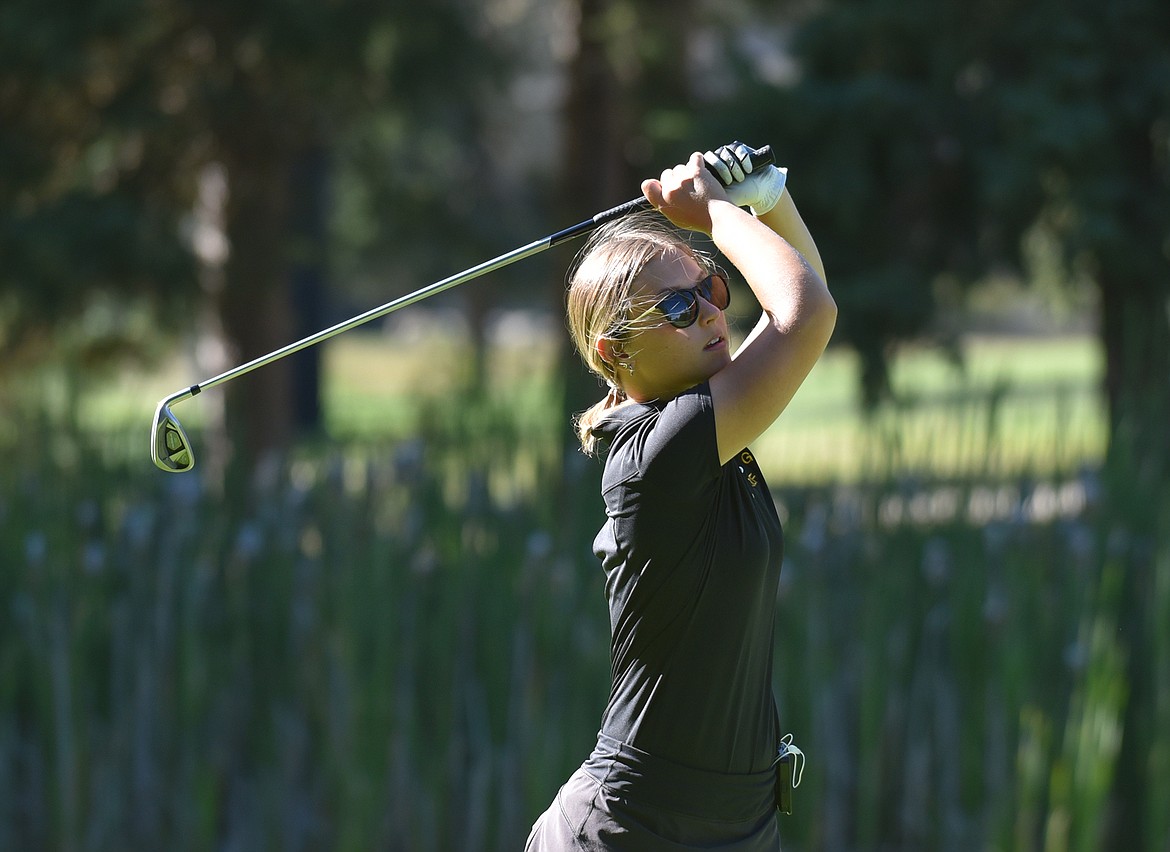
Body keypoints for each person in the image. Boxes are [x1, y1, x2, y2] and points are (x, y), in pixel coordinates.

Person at [525, 143, 835, 851]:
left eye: (711, 289)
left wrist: (767, 199)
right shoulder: (655, 457)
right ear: (612, 354)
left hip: (736, 827)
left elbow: (807, 299)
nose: (710, 313)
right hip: (629, 831)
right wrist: (717, 213)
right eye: (675, 307)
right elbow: (806, 315)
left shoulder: (712, 430)